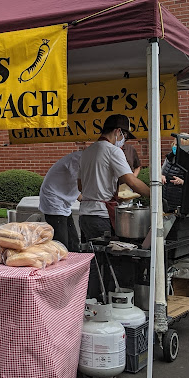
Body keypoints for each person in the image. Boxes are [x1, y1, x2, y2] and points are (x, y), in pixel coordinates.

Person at [78, 114, 151, 297]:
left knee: (94, 263)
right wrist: (156, 195)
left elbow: (80, 185)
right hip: (101, 216)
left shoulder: (87, 151)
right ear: (118, 131)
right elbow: (131, 181)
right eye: (124, 135)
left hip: (85, 215)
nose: (124, 141)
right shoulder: (112, 151)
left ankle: (91, 303)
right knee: (114, 264)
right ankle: (110, 305)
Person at [39, 149, 82, 252]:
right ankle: (61, 267)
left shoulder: (86, 159)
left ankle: (74, 266)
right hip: (54, 201)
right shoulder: (79, 159)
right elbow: (82, 184)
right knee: (61, 244)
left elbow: (76, 188)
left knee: (74, 242)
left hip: (64, 203)